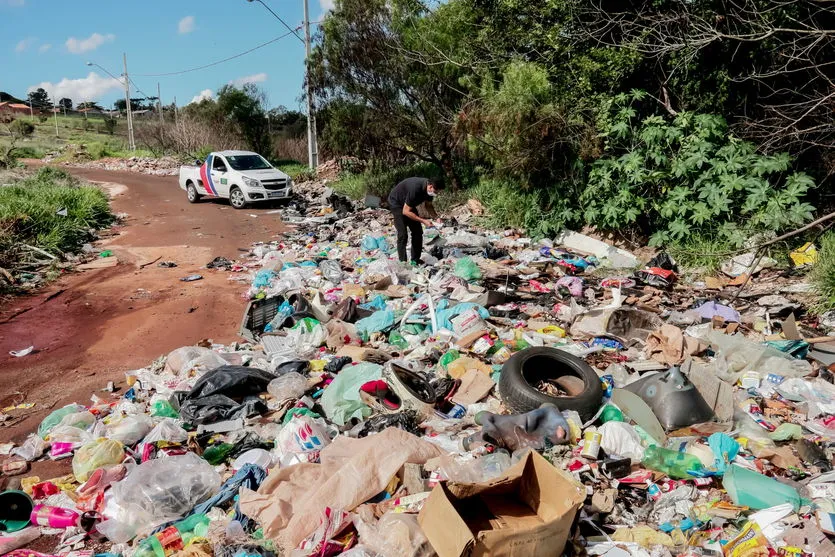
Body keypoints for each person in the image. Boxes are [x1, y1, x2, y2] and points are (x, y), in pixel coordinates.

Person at [387, 176, 444, 264]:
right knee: (403, 234)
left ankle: (415, 259)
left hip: (409, 204)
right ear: (430, 186)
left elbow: (428, 206)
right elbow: (405, 211)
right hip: (397, 203)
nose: (435, 193)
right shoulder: (416, 188)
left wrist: (436, 218)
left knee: (417, 231)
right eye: (435, 191)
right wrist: (423, 221)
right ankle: (403, 262)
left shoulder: (429, 192)